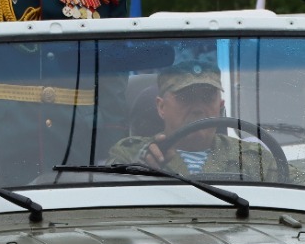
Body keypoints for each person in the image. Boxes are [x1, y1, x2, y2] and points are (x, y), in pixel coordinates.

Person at [109, 64, 283, 180]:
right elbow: (107, 193)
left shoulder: (251, 157)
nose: (198, 108)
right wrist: (139, 168)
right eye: (186, 97)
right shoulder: (131, 154)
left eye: (207, 97)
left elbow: (303, 182)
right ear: (161, 107)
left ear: (220, 106)